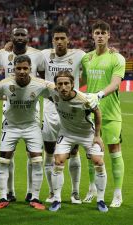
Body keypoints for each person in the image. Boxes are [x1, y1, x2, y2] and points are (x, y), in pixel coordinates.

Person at [0, 55, 48, 210]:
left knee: (36, 161)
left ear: (30, 69)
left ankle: (35, 197)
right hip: (11, 126)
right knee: (3, 161)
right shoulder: (5, 84)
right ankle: (3, 197)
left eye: (25, 68)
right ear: (13, 69)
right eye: (18, 68)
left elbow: (56, 97)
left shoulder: (39, 85)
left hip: (31, 127)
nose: (21, 71)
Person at [0, 28, 44, 202]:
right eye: (17, 35)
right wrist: (1, 88)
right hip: (9, 109)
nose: (20, 37)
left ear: (28, 37)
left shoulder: (37, 55)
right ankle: (9, 192)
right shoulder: (2, 54)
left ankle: (32, 193)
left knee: (33, 154)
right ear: (12, 37)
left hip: (31, 109)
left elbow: (44, 78)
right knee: (8, 154)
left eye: (23, 35)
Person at [47, 70, 108, 212]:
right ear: (55, 86)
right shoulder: (53, 92)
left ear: (73, 84)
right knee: (58, 161)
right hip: (66, 133)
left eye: (66, 83)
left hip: (87, 134)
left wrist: (97, 135)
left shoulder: (84, 99)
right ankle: (56, 199)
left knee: (98, 162)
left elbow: (98, 112)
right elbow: (39, 82)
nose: (63, 87)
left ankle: (100, 200)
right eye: (60, 84)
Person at [39, 25, 86, 204]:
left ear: (68, 40)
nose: (59, 41)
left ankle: (75, 192)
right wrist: (9, 47)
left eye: (62, 38)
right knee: (49, 151)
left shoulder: (79, 55)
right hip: (50, 107)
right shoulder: (44, 55)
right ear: (53, 41)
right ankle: (52, 192)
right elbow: (25, 53)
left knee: (74, 151)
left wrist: (111, 50)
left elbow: (96, 57)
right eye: (56, 39)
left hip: (71, 108)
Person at [82, 20, 126, 208]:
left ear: (109, 35)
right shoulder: (86, 58)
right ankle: (92, 189)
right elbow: (80, 79)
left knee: (114, 152)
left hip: (111, 113)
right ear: (92, 35)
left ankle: (117, 193)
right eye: (97, 32)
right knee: (92, 154)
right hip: (90, 114)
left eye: (103, 33)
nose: (100, 35)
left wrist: (98, 94)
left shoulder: (117, 58)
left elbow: (116, 83)